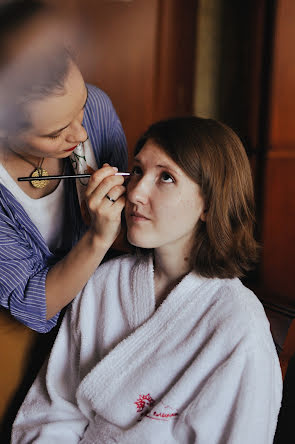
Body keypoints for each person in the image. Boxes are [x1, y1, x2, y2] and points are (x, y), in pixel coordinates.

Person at [12, 117, 282, 443]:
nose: (136, 192)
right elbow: (51, 410)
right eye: (137, 171)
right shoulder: (104, 283)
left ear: (209, 204)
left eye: (166, 177)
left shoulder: (238, 324)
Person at [0, 0, 128, 333]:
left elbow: (134, 233)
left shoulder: (97, 107)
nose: (82, 133)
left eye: (80, 105)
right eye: (56, 132)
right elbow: (33, 305)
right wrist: (98, 238)